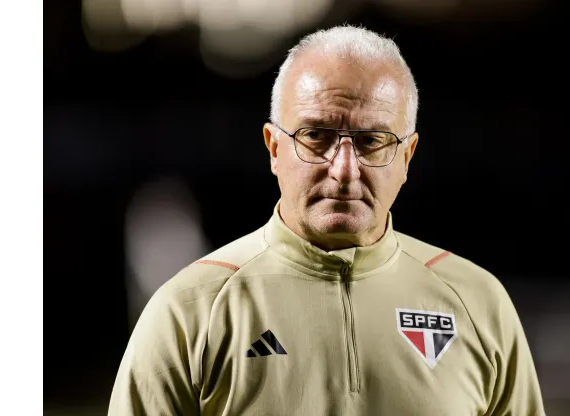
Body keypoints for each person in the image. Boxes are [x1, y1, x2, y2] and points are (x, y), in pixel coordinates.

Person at [108, 25, 546, 415]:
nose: (344, 169)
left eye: (372, 140)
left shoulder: (478, 303)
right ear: (274, 147)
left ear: (407, 156)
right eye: (316, 136)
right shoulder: (188, 313)